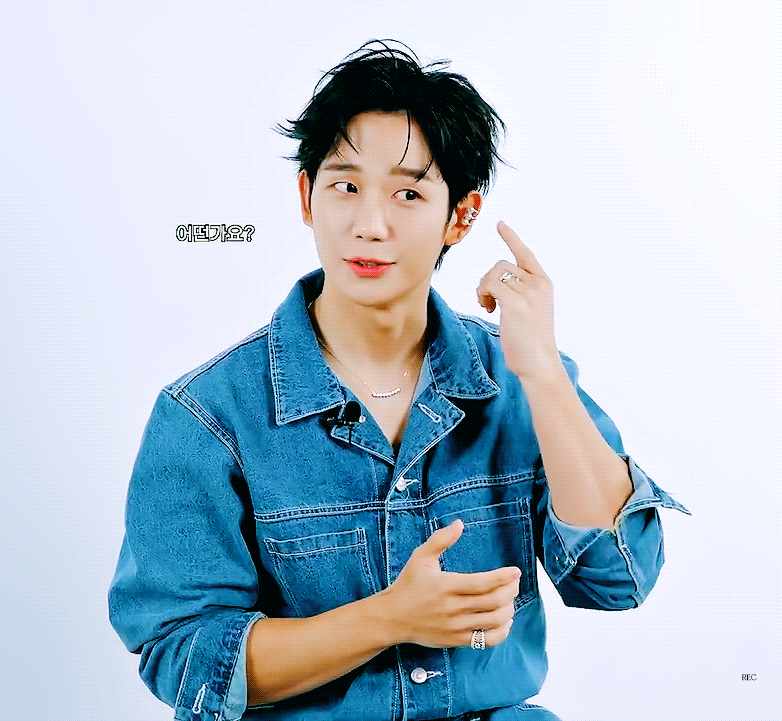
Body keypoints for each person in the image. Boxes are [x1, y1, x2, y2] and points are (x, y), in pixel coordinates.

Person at [108, 40, 689, 721]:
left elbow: (618, 579)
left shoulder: (515, 377)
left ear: (460, 216)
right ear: (307, 196)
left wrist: (541, 371)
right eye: (346, 186)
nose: (370, 225)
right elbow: (186, 659)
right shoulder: (208, 415)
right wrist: (388, 618)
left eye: (408, 193)